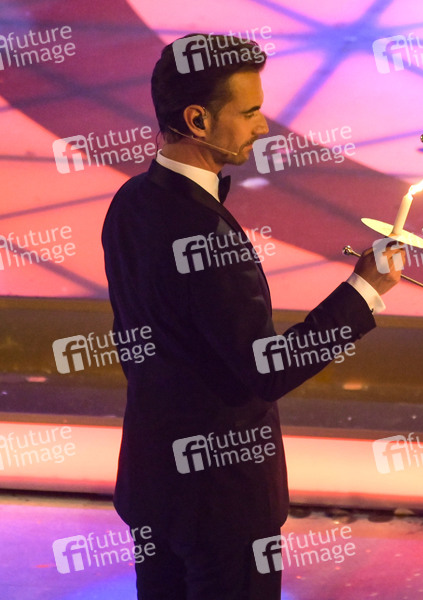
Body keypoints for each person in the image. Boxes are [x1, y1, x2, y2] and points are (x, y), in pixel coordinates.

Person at [101, 33, 402, 599]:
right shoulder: (207, 234)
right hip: (224, 506)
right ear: (197, 120)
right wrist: (364, 289)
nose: (263, 126)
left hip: (152, 488)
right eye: (250, 112)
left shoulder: (129, 204)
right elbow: (267, 370)